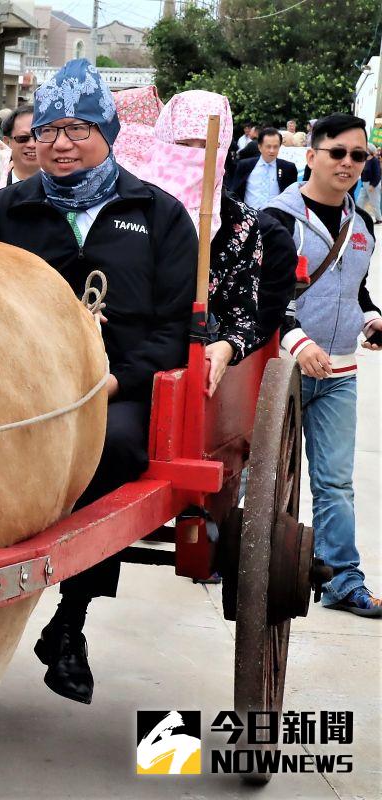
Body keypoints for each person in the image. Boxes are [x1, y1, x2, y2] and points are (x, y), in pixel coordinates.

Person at [0, 59, 197, 704]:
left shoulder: (158, 214)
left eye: (78, 129)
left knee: (118, 450)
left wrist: (115, 384)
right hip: (14, 386)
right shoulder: (3, 212)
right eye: (47, 130)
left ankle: (70, 619)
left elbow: (173, 328)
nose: (60, 143)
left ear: (108, 133)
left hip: (113, 390)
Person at [261, 113, 382, 617]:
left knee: (334, 482)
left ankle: (341, 579)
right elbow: (265, 298)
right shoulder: (276, 218)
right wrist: (295, 340)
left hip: (338, 374)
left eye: (360, 155)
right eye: (338, 152)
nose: (349, 163)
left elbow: (354, 287)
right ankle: (256, 568)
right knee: (259, 478)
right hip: (282, 372)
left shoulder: (364, 222)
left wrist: (372, 316)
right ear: (310, 156)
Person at [116, 90, 272, 396]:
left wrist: (227, 345)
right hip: (120, 351)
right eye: (184, 145)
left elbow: (242, 314)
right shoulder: (124, 205)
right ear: (164, 143)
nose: (194, 156)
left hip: (190, 356)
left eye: (207, 146)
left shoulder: (239, 222)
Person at [229, 127, 297, 208]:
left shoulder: (288, 168)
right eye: (268, 146)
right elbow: (235, 191)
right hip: (250, 216)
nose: (272, 150)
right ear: (260, 147)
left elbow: (292, 197)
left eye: (275, 147)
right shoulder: (245, 166)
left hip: (276, 217)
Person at [1, 104, 37, 185]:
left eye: (37, 137)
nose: (32, 144)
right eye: (23, 138)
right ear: (7, 142)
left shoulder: (65, 186)